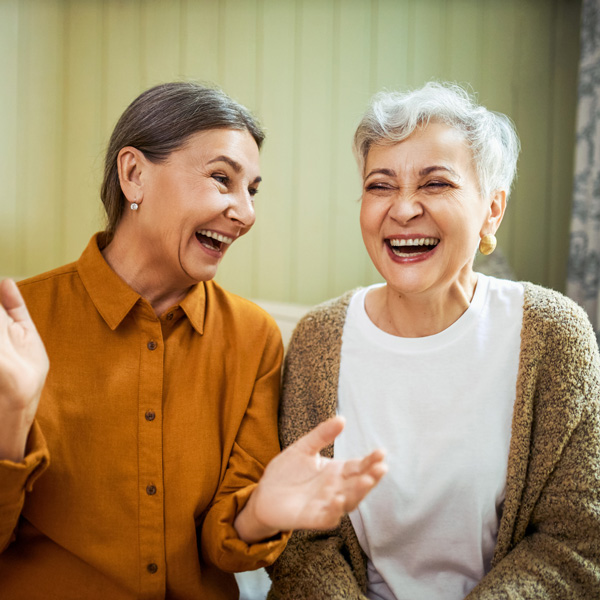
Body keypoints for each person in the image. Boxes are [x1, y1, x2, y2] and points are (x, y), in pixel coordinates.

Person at [0, 81, 387, 599]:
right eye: (221, 178)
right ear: (134, 174)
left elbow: (225, 548)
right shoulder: (20, 325)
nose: (246, 213)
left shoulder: (254, 338)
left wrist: (259, 513)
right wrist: (10, 416)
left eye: (252, 190)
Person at [268, 82, 600, 599]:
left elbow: (573, 542)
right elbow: (303, 545)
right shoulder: (319, 340)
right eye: (380, 186)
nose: (402, 210)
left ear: (492, 209)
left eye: (435, 184)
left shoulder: (554, 334)